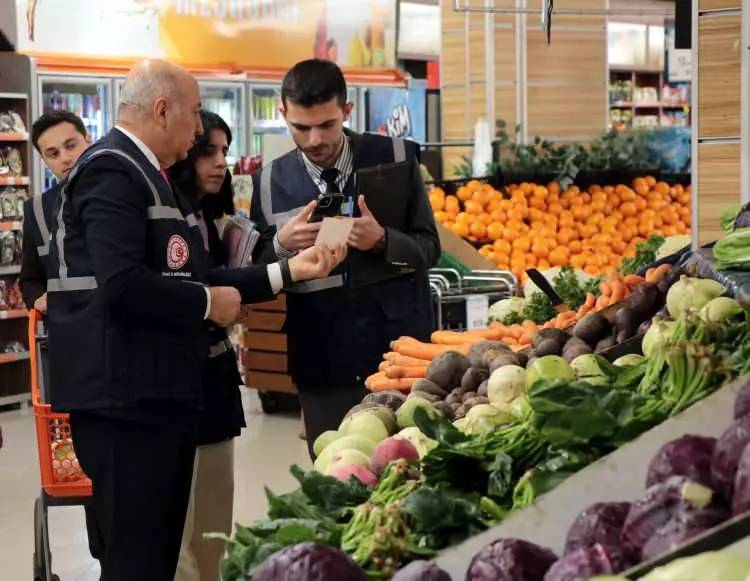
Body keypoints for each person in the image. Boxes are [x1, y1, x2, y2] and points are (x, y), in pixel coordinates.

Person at [46, 59, 344, 581]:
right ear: (162, 110)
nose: (198, 129)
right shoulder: (112, 170)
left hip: (155, 396)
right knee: (136, 558)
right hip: (124, 402)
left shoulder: (152, 179)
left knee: (158, 553)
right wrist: (207, 306)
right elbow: (122, 283)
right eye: (194, 115)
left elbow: (201, 275)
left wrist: (290, 269)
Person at [250, 59, 440, 458]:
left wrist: (383, 240)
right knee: (336, 477)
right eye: (300, 127)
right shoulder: (268, 183)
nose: (315, 139)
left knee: (408, 468)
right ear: (282, 113)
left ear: (347, 111)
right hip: (322, 362)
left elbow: (428, 247)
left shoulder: (397, 157)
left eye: (327, 124)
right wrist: (281, 246)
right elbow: (256, 269)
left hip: (401, 355)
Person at [167, 111, 247, 580]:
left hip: (216, 380)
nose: (219, 163)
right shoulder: (166, 215)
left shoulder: (214, 218)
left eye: (224, 151)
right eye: (207, 152)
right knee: (177, 527)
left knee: (216, 524)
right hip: (177, 381)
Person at [20, 110, 92, 313]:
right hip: (69, 333)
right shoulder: (36, 210)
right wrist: (37, 298)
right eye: (53, 153)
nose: (66, 158)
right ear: (44, 160)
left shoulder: (122, 193)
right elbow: (29, 280)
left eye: (71, 146)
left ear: (88, 140)